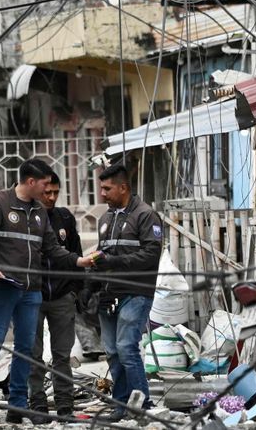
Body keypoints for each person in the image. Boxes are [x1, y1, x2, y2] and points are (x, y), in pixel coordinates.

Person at [0, 159, 96, 425]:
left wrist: (78, 261)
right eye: (44, 185)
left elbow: (52, 248)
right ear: (31, 182)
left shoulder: (40, 212)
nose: (47, 191)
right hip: (5, 285)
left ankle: (18, 405)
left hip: (33, 290)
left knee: (25, 349)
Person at [90, 163, 163, 422]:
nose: (102, 194)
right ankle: (120, 406)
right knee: (111, 350)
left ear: (124, 188)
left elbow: (151, 254)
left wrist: (113, 262)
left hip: (136, 292)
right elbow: (102, 255)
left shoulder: (146, 216)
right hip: (108, 295)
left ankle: (141, 405)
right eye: (101, 188)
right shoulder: (105, 219)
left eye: (107, 188)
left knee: (126, 348)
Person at [27, 172, 83, 421]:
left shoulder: (65, 218)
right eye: (46, 192)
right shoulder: (25, 218)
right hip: (32, 296)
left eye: (55, 193)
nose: (51, 197)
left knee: (62, 355)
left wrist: (76, 290)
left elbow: (76, 255)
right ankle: (37, 404)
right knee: (33, 354)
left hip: (62, 297)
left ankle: (65, 405)